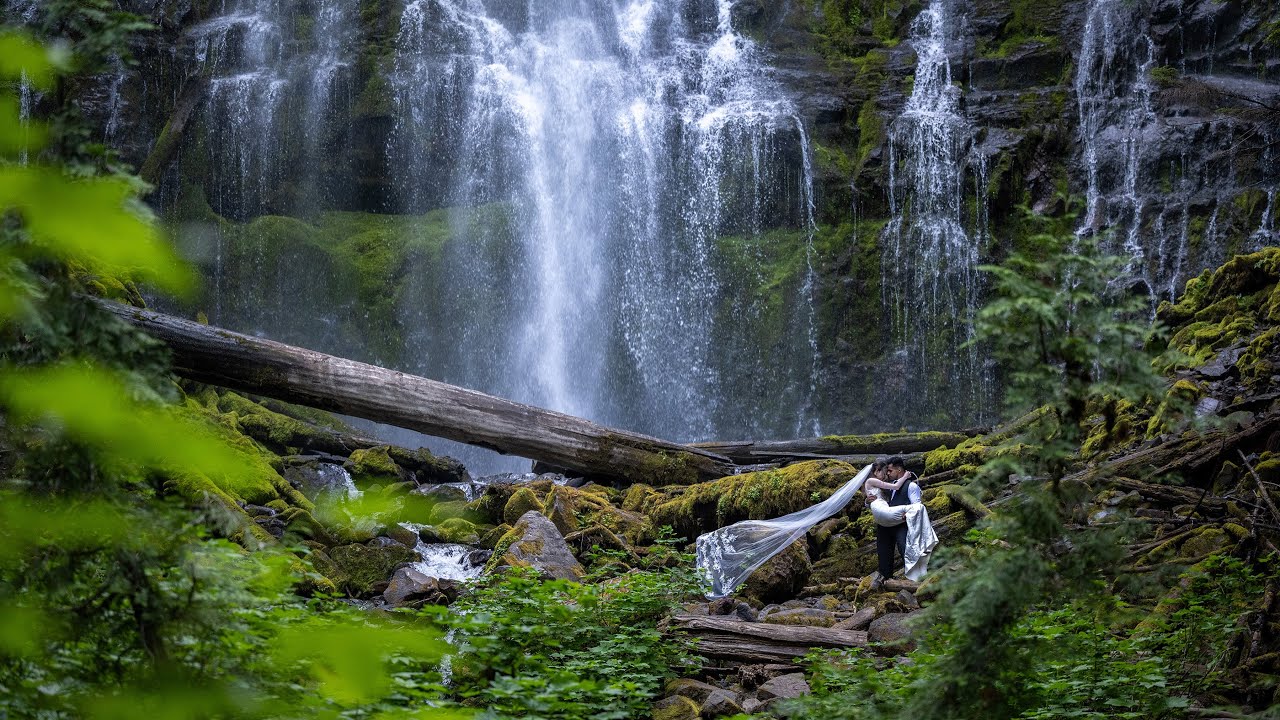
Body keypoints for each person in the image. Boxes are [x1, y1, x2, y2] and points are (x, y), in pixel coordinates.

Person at [866, 456, 922, 586]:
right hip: (884, 524)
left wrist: (909, 514)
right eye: (887, 471)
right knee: (883, 552)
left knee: (905, 549)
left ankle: (916, 581)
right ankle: (886, 581)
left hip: (901, 523)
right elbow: (878, 500)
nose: (888, 473)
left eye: (890, 471)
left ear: (899, 469)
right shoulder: (887, 485)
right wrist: (867, 501)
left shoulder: (911, 486)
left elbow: (917, 505)